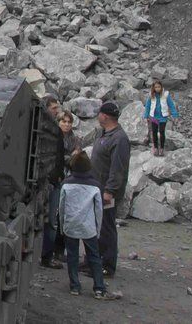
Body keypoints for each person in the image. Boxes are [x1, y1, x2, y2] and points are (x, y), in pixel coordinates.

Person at [59, 152, 122, 300]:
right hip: (89, 227)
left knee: (72, 256)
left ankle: (75, 286)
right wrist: (97, 229)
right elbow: (99, 210)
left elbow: (61, 208)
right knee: (94, 257)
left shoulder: (66, 184)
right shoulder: (96, 186)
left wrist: (62, 226)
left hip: (71, 225)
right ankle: (99, 288)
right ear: (89, 167)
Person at [90, 100, 130, 277]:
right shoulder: (103, 133)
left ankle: (107, 264)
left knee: (106, 226)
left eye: (99, 113)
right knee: (95, 226)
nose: (98, 116)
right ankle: (93, 260)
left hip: (107, 192)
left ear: (105, 116)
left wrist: (110, 191)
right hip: (96, 188)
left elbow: (118, 168)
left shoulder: (119, 139)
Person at [41, 98, 71, 269]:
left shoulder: (54, 130)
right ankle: (46, 256)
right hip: (50, 181)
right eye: (53, 108)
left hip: (52, 180)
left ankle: (47, 254)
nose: (57, 111)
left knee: (51, 221)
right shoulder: (51, 130)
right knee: (51, 220)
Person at [143, 80, 178, 157]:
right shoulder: (151, 95)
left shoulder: (166, 95)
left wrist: (175, 115)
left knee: (162, 132)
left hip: (163, 117)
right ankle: (155, 148)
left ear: (161, 87)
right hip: (154, 117)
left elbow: (171, 105)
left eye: (159, 87)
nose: (157, 88)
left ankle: (161, 148)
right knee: (154, 132)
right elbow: (147, 106)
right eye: (156, 87)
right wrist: (145, 116)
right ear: (153, 88)